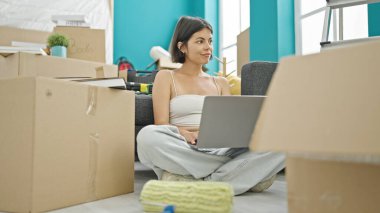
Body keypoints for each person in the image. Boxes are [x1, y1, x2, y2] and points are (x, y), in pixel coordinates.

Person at [137, 16, 285, 195]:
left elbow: (230, 125)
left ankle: (200, 181)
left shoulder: (220, 82)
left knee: (284, 140)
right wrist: (184, 133)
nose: (208, 47)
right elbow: (161, 123)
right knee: (147, 137)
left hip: (222, 148)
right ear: (182, 46)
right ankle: (238, 175)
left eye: (210, 41)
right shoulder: (166, 77)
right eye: (200, 41)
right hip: (183, 146)